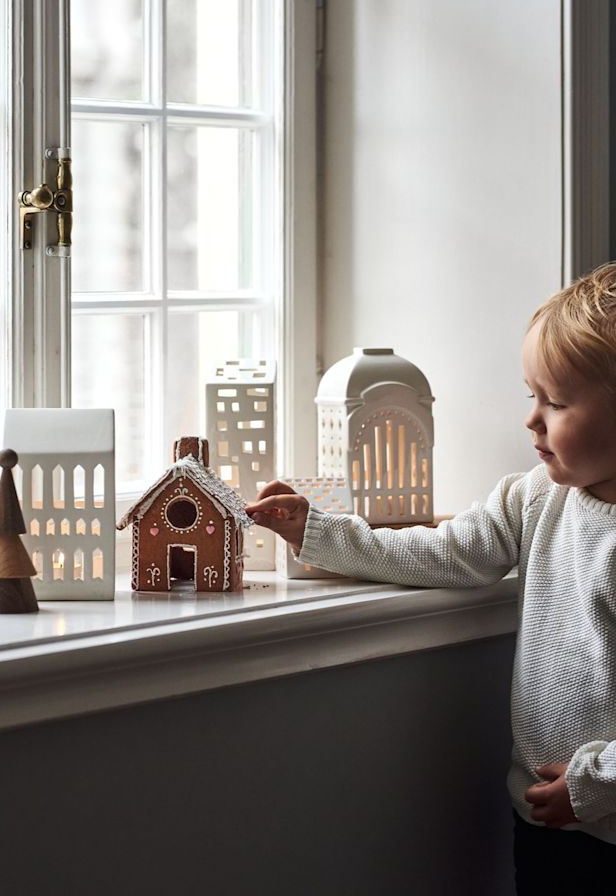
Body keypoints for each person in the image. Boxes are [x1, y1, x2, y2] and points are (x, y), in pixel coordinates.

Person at [246, 263, 616, 894]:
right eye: (531, 395)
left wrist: (598, 784)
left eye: (554, 402)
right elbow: (448, 551)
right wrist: (320, 533)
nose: (531, 420)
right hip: (542, 811)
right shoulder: (536, 498)